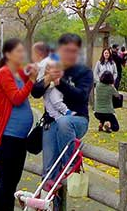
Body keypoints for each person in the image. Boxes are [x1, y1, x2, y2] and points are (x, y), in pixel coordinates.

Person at [31, 33, 92, 185]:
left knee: (64, 122)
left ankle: (71, 163)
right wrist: (47, 79)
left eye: (74, 51)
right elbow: (35, 92)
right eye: (66, 50)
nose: (69, 55)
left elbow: (82, 97)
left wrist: (60, 83)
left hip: (77, 119)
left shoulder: (84, 72)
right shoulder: (50, 67)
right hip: (51, 122)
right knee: (49, 172)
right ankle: (48, 206)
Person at [0, 38, 35, 211]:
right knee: (4, 182)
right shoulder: (4, 73)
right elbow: (17, 98)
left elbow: (31, 91)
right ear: (8, 54)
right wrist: (32, 80)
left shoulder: (18, 72)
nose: (22, 55)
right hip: (7, 135)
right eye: (18, 51)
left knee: (13, 181)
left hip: (20, 137)